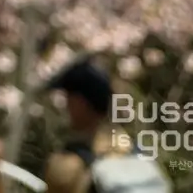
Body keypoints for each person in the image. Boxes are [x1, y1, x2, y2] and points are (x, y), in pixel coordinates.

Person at [44, 59, 169, 193]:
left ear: (80, 103)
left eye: (68, 98)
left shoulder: (71, 162)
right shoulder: (134, 149)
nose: (66, 105)